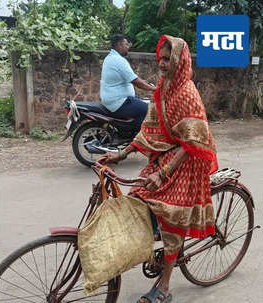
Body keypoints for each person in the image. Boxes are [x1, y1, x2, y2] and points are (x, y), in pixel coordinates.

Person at [101, 35, 218, 303]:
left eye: (168, 59)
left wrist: (163, 173)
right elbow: (149, 128)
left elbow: (192, 142)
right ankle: (157, 236)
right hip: (168, 155)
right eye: (161, 59)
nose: (162, 64)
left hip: (189, 159)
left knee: (171, 214)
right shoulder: (163, 88)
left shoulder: (188, 93)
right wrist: (122, 153)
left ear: (179, 60)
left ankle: (164, 285)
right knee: (139, 194)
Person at [100, 34, 156, 133]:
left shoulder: (111, 58)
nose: (128, 47)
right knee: (149, 110)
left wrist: (145, 82)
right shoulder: (118, 60)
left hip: (117, 100)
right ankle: (135, 138)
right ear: (119, 45)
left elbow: (133, 77)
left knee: (144, 103)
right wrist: (154, 89)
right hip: (119, 102)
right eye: (126, 44)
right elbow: (136, 82)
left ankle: (131, 133)